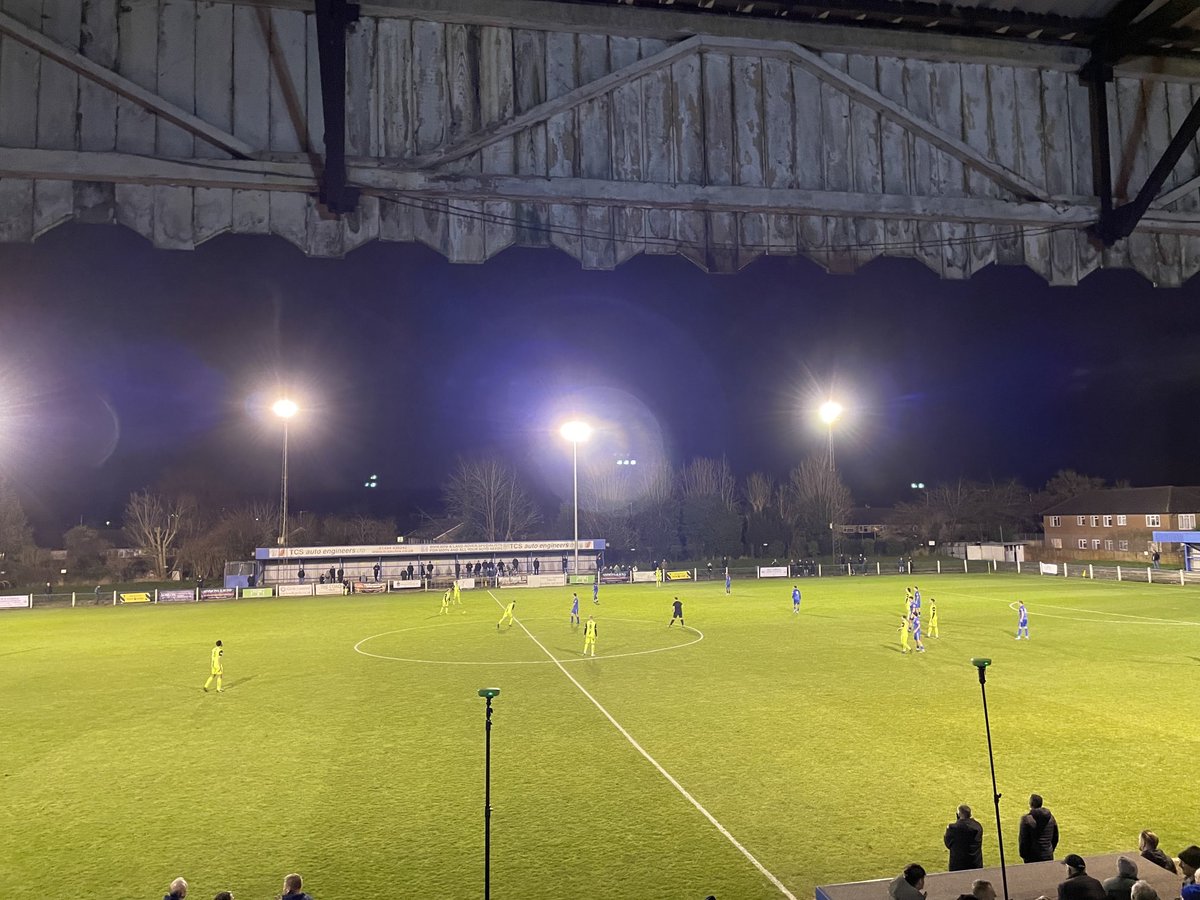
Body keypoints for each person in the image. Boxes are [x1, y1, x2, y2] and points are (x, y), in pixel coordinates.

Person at [1019, 793, 1059, 863]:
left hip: (1031, 857)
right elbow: (1055, 837)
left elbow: (1023, 840)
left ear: (1030, 804)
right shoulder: (1051, 818)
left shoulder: (1026, 820)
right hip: (1048, 855)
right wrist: (1049, 850)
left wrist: (1024, 855)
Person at [945, 804, 984, 871]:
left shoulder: (953, 828)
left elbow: (948, 844)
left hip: (958, 866)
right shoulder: (978, 826)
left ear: (958, 815)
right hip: (976, 864)